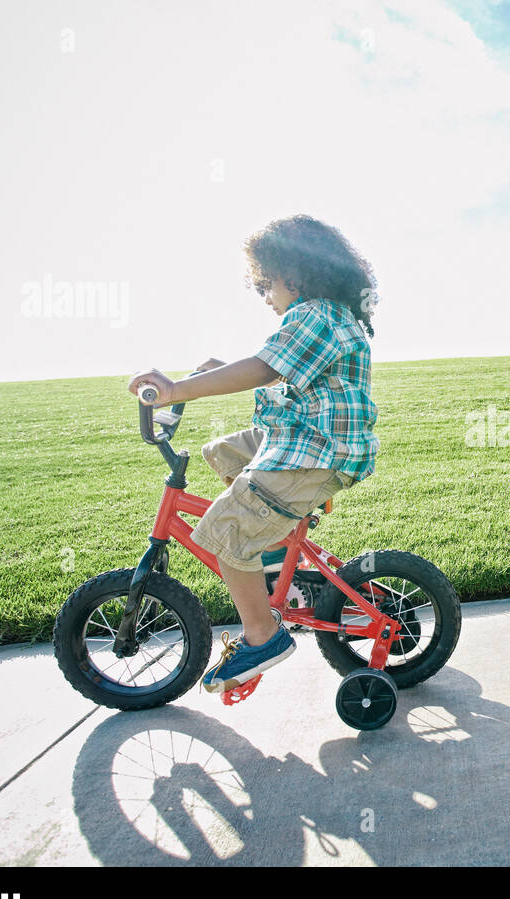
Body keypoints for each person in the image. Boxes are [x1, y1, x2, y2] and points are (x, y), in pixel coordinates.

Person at [127, 214, 379, 693]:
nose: (264, 295)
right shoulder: (325, 316)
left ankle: (263, 635)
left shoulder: (316, 315)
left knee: (223, 527)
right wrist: (219, 371)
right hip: (304, 439)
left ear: (295, 273)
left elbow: (264, 370)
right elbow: (282, 378)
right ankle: (266, 545)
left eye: (265, 283)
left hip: (317, 452)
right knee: (221, 452)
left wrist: (178, 388)